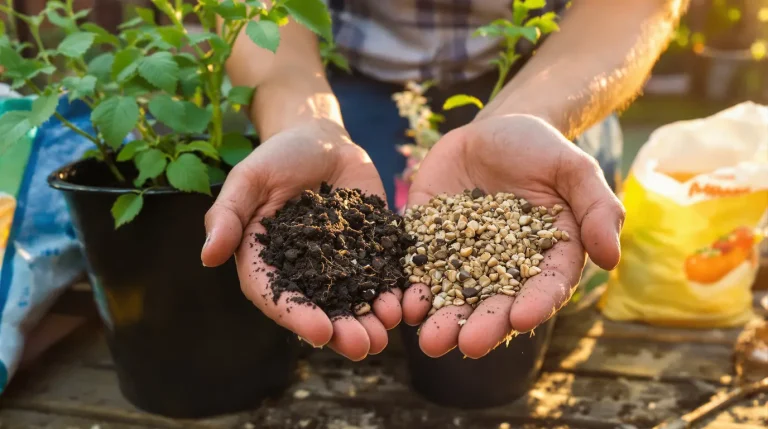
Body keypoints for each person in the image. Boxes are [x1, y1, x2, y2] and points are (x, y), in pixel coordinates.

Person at [201, 0, 688, 361]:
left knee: (539, 311)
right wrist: (299, 121)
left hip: (552, 69)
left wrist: (530, 115)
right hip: (334, 69)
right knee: (376, 325)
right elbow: (253, 12)